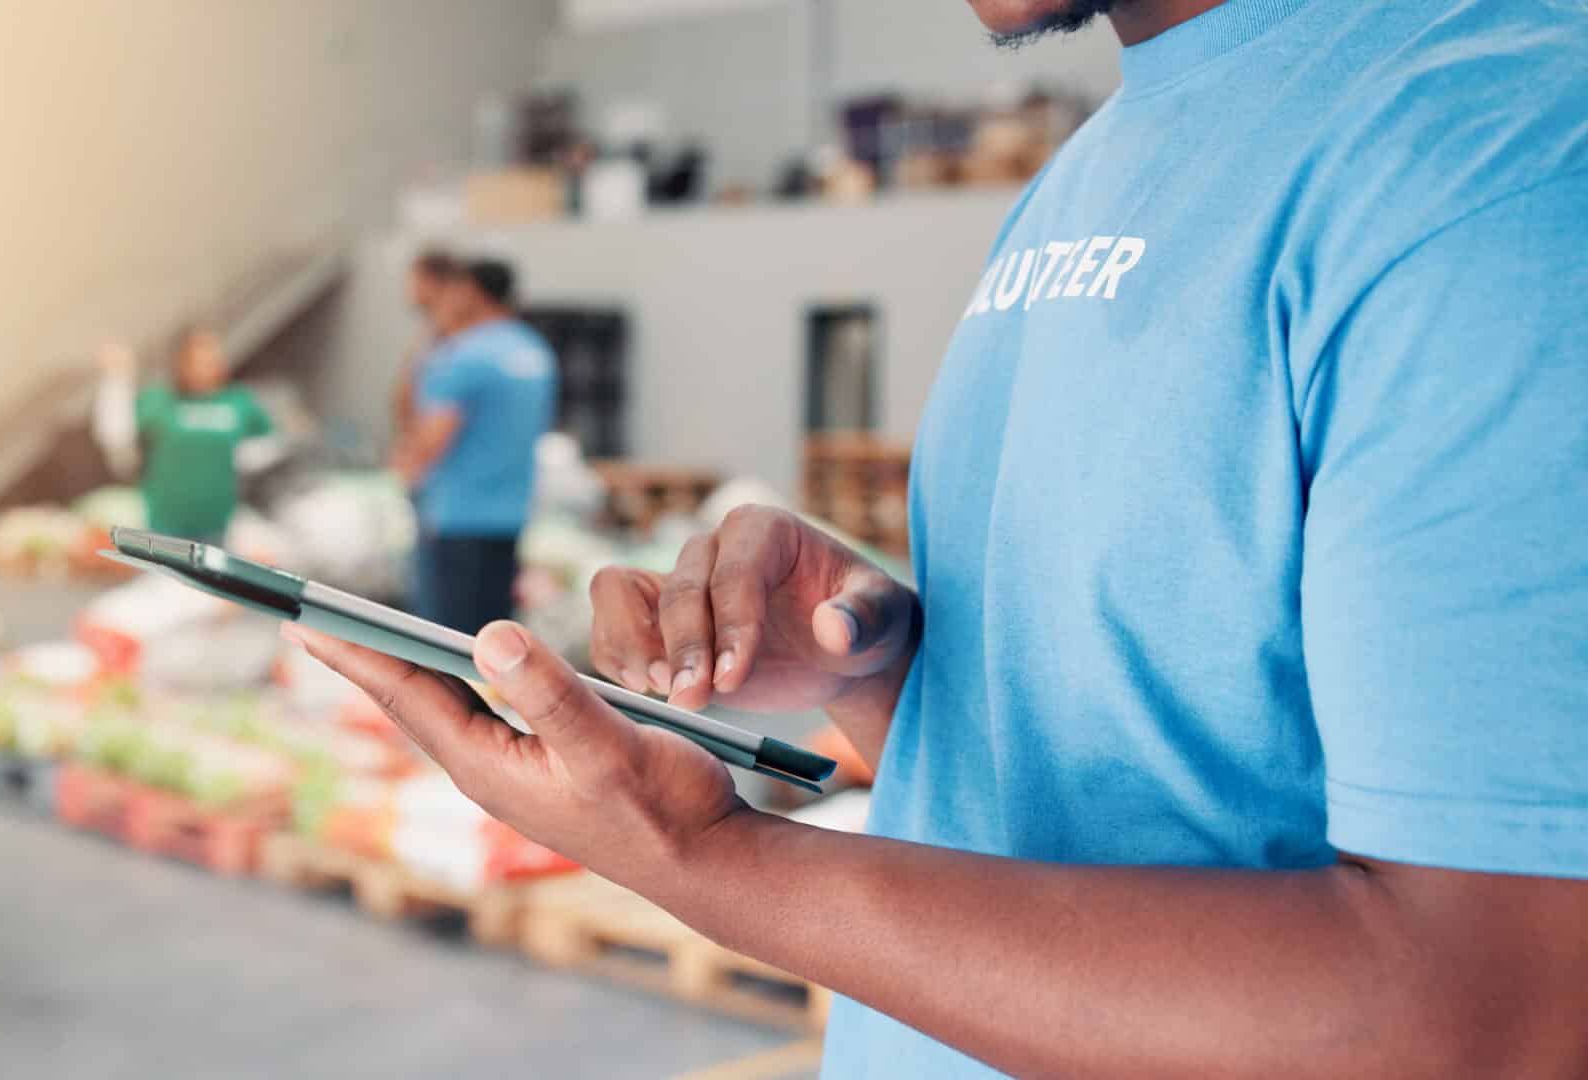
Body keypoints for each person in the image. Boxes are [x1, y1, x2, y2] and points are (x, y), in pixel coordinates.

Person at [285, 1, 1588, 1076]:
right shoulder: (1100, 161)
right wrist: (872, 679)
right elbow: (1152, 782)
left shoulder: (1503, 163)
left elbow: (1484, 1018)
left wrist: (710, 859)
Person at [392, 259, 557, 634]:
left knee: (446, 647)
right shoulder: (534, 352)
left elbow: (429, 442)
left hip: (456, 518)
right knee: (496, 639)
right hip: (511, 514)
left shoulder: (464, 355)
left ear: (468, 292)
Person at [91, 326, 272, 540]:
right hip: (164, 524)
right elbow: (117, 436)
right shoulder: (159, 400)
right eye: (196, 359)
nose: (204, 366)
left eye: (211, 357)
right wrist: (117, 379)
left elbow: (268, 449)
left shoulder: (239, 401)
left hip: (221, 524)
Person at [391, 249, 460, 439]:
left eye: (412, 281)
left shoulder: (453, 332)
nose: (408, 289)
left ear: (430, 281)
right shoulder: (432, 330)